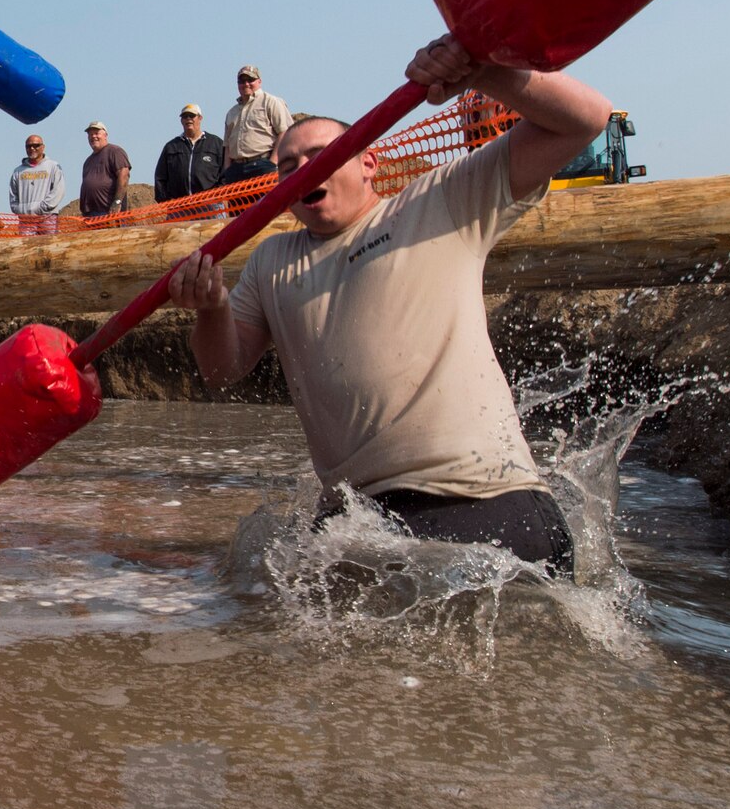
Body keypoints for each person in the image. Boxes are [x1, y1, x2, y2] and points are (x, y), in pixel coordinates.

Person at [167, 34, 612, 575]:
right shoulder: (271, 260)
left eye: (319, 156)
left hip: (482, 499)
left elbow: (586, 119)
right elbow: (220, 371)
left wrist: (482, 74)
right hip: (355, 521)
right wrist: (210, 309)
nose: (301, 170)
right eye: (287, 166)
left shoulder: (440, 200)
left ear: (370, 162)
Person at [221, 64, 294, 186]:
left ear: (259, 81)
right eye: (242, 81)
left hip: (263, 164)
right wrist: (227, 170)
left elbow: (284, 132)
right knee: (241, 206)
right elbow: (227, 144)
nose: (246, 84)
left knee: (267, 205)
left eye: (250, 80)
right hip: (236, 170)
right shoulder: (232, 112)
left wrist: (273, 162)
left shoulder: (271, 102)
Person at [153, 103, 225, 205]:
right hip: (179, 208)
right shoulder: (171, 147)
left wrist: (218, 195)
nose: (188, 119)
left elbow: (226, 172)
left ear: (200, 118)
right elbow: (160, 176)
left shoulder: (215, 143)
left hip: (210, 206)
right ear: (181, 120)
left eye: (192, 116)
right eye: (185, 116)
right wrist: (165, 200)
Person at [8, 133, 67, 235]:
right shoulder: (18, 172)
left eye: (36, 145)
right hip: (26, 221)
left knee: (50, 247)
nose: (32, 148)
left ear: (43, 147)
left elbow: (58, 191)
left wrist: (41, 208)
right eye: (29, 146)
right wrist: (22, 210)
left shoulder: (53, 167)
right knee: (27, 249)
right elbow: (13, 196)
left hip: (47, 218)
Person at [79, 122, 132, 220]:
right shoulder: (88, 161)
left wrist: (117, 202)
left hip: (110, 212)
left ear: (105, 135)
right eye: (90, 134)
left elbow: (124, 175)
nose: (93, 136)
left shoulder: (115, 151)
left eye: (96, 133)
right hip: (91, 215)